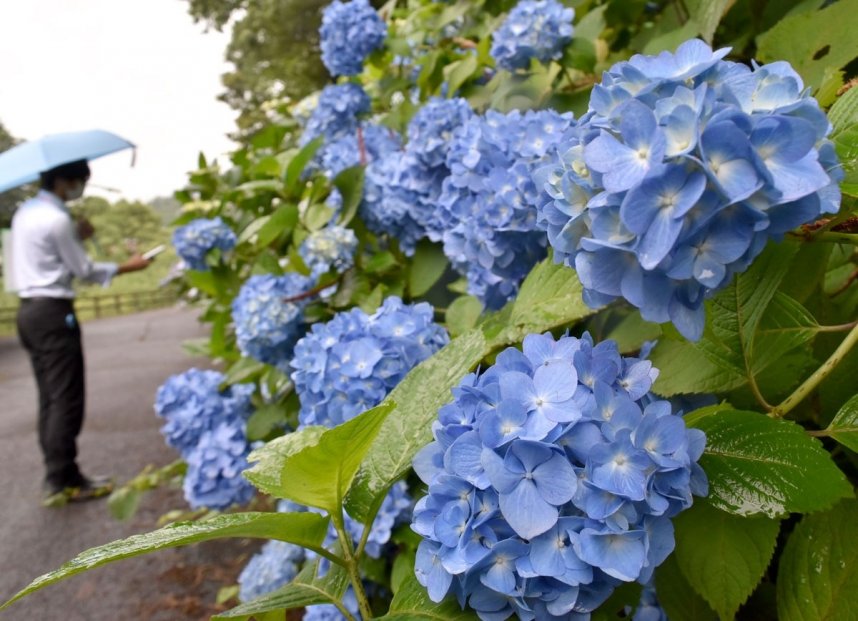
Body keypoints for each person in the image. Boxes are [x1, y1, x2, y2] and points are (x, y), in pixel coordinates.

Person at [10, 159, 152, 505]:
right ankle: (63, 480)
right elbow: (84, 270)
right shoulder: (58, 220)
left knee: (49, 397)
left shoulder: (25, 213)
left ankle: (59, 475)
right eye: (80, 182)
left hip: (28, 312)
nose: (81, 189)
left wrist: (78, 236)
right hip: (54, 313)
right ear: (63, 182)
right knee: (67, 399)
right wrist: (130, 266)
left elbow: (46, 258)